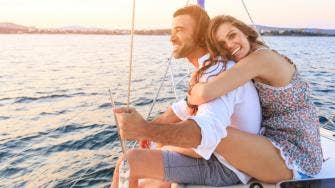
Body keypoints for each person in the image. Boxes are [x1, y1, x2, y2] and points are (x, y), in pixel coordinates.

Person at [111, 6, 261, 187]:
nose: (171, 37)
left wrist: (145, 130)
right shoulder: (211, 67)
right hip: (221, 156)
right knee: (147, 174)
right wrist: (151, 128)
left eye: (180, 30)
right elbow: (184, 107)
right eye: (172, 31)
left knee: (129, 162)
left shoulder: (216, 72)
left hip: (228, 166)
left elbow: (206, 133)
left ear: (201, 36)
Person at [187, 15, 323, 182]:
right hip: (271, 139)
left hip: (298, 155)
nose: (230, 45)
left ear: (244, 32)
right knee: (211, 130)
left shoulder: (260, 59)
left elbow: (204, 93)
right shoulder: (252, 57)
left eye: (232, 35)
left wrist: (190, 94)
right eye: (222, 44)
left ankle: (166, 144)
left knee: (213, 132)